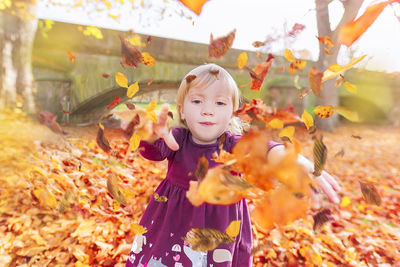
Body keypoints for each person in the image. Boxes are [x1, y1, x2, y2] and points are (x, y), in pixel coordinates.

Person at [126, 63, 341, 267]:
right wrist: (152, 136)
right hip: (174, 221)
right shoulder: (178, 139)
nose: (207, 110)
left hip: (219, 224)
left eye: (219, 103)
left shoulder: (232, 144)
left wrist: (295, 161)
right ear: (182, 110)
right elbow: (153, 152)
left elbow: (265, 149)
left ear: (231, 112)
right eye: (197, 101)